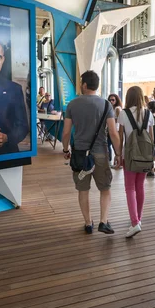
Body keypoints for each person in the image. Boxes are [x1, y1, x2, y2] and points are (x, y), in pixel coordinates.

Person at [62, 71, 120, 235]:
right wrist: (119, 154)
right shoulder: (106, 105)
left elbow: (66, 132)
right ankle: (103, 221)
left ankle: (88, 223)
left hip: (80, 155)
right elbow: (113, 133)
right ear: (97, 85)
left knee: (83, 190)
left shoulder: (72, 104)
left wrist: (66, 149)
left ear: (85, 85)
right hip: (101, 152)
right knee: (105, 188)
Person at [117, 86, 154, 238]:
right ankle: (138, 218)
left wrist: (118, 155)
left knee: (129, 188)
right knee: (140, 186)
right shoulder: (148, 114)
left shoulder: (123, 114)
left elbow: (120, 137)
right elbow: (151, 138)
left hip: (130, 155)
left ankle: (134, 222)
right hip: (145, 155)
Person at [107, 93, 123, 165]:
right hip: (111, 129)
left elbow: (120, 120)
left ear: (116, 100)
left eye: (113, 100)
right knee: (110, 145)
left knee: (114, 146)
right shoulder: (111, 108)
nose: (111, 101)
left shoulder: (117, 108)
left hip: (116, 129)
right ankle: (112, 161)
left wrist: (111, 120)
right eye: (110, 100)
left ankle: (116, 162)